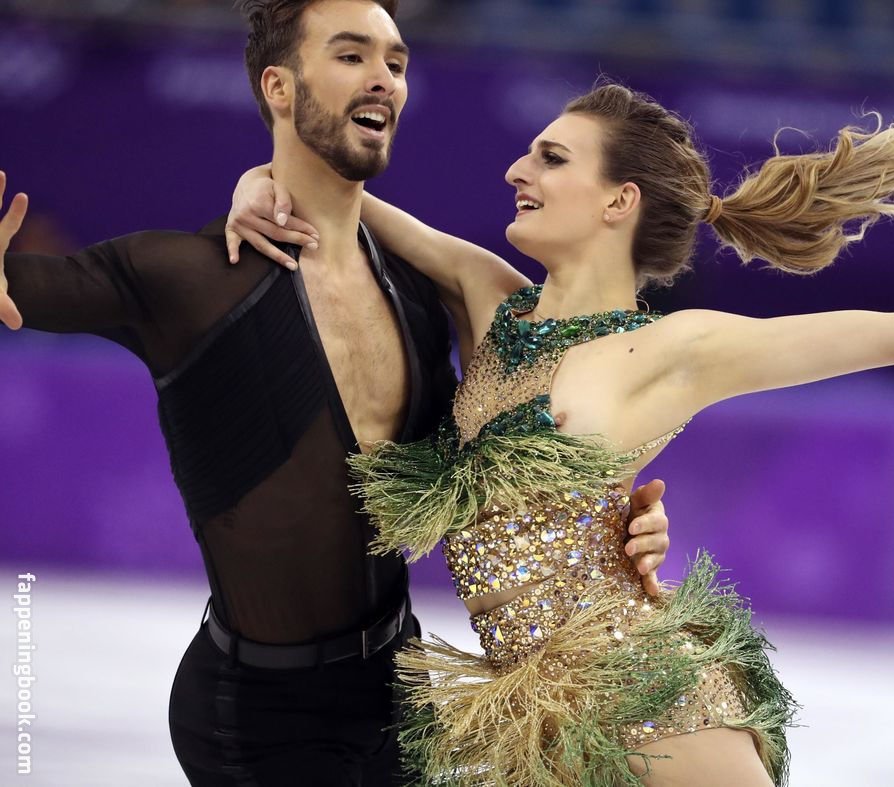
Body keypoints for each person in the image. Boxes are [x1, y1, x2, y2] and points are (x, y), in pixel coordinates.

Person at [227, 83, 894, 786]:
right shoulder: (489, 299)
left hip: (644, 696)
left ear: (620, 201)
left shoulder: (676, 349)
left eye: (552, 158)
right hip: (533, 715)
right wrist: (250, 184)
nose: (517, 170)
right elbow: (326, 198)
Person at [0, 1, 673, 783]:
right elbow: (26, 285)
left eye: (396, 61)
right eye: (352, 56)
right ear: (279, 88)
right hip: (256, 716)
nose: (383, 78)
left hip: (401, 690)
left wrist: (616, 518)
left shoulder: (423, 294)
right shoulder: (185, 278)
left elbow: (526, 445)